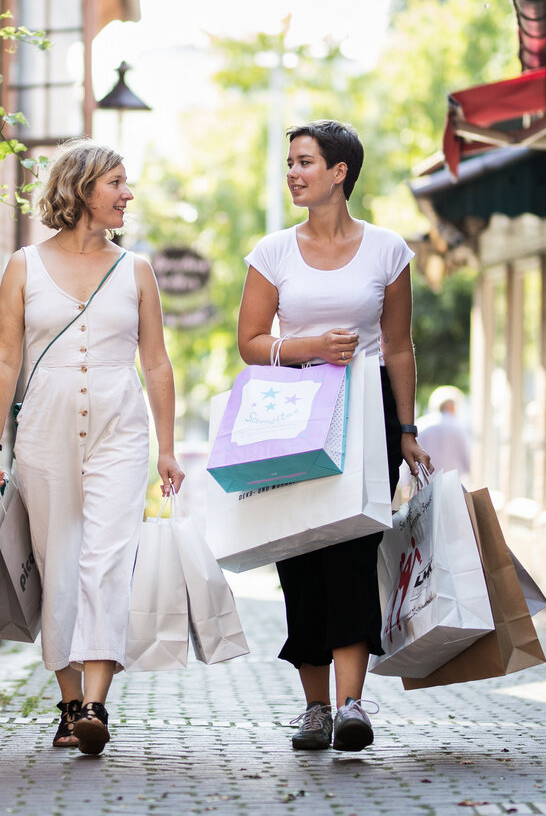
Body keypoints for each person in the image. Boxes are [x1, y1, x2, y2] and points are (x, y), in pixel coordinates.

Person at [0, 139, 183, 757]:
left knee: (107, 561)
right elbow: (5, 357)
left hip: (121, 430)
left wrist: (166, 448)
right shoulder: (24, 265)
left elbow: (158, 364)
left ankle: (95, 704)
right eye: (117, 182)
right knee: (58, 561)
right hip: (43, 430)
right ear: (82, 188)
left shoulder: (137, 270)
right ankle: (68, 706)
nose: (128, 194)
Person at [235, 119, 434, 753]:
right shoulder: (272, 252)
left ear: (339, 173)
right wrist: (307, 347)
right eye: (290, 163)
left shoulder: (387, 250)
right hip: (291, 411)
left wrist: (407, 429)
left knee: (352, 549)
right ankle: (314, 709)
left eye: (304, 162)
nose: (292, 173)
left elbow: (399, 348)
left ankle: (353, 704)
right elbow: (250, 342)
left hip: (367, 413)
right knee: (300, 555)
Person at [417, 385, 471, 482]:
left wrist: (407, 483)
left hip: (425, 482)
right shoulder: (460, 428)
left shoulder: (421, 426)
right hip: (451, 484)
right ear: (454, 407)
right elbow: (467, 458)